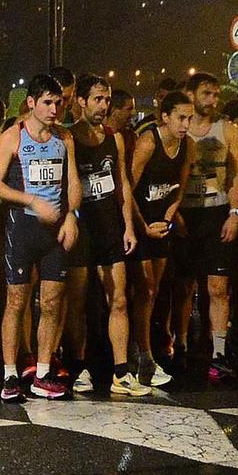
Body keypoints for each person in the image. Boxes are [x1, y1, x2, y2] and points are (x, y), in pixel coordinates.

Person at [0, 76, 81, 401]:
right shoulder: (12, 138)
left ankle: (43, 370)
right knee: (16, 301)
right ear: (31, 103)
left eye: (58, 103)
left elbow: (73, 181)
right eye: (47, 102)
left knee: (51, 301)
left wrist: (71, 214)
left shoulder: (64, 138)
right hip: (23, 227)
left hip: (55, 230)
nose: (54, 109)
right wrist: (31, 201)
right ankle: (10, 374)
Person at [60, 76, 142, 394]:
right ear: (81, 101)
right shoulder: (69, 137)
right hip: (82, 229)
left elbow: (122, 184)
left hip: (110, 227)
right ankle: (78, 367)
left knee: (118, 298)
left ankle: (121, 371)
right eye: (97, 99)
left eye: (106, 100)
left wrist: (129, 226)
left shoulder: (114, 138)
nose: (103, 106)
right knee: (78, 302)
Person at [175, 73, 238, 380]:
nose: (213, 100)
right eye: (207, 94)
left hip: (216, 212)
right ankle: (181, 343)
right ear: (190, 94)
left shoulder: (227, 129)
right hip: (185, 213)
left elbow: (235, 174)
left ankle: (218, 351)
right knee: (185, 284)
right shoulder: (180, 128)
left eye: (216, 95)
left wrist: (235, 212)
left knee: (218, 286)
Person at [128, 92, 193, 387]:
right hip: (141, 223)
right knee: (144, 289)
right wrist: (142, 227)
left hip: (162, 223)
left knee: (153, 292)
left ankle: (145, 348)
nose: (186, 124)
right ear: (165, 116)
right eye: (181, 117)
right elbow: (128, 189)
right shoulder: (148, 142)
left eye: (189, 118)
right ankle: (142, 353)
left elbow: (181, 183)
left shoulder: (187, 145)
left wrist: (170, 213)